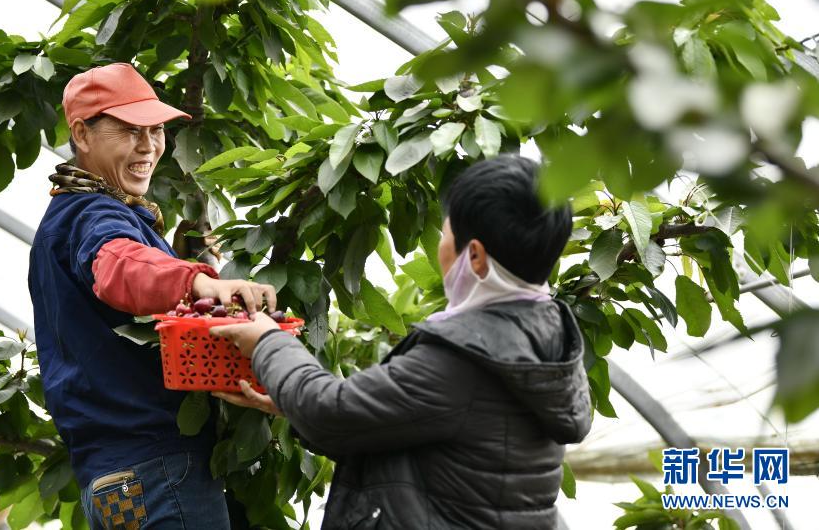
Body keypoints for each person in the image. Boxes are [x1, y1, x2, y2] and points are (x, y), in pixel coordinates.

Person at [212, 153, 592, 529]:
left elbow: (331, 412)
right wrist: (290, 401)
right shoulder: (544, 332)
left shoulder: (466, 356)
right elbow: (409, 422)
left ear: (474, 255)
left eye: (447, 231)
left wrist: (268, 342)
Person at [27, 62, 276, 530]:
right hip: (158, 472)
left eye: (156, 130)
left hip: (116, 482)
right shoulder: (91, 214)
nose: (148, 146)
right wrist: (200, 282)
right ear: (82, 134)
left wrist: (185, 257)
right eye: (128, 130)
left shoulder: (68, 215)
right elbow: (117, 265)